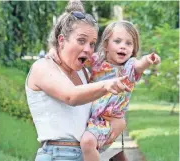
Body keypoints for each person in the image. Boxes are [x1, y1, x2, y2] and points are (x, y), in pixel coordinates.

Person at [25, 1, 130, 161]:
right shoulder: (43, 67)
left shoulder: (82, 72)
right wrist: (106, 85)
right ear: (61, 40)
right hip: (58, 155)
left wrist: (118, 120)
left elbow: (97, 109)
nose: (88, 49)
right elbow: (71, 96)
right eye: (81, 41)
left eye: (92, 44)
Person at [47, 20, 161, 161]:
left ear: (133, 48)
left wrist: (148, 60)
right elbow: (73, 56)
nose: (123, 47)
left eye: (128, 43)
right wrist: (55, 51)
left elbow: (139, 65)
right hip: (87, 114)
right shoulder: (96, 61)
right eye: (117, 41)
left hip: (105, 121)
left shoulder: (129, 68)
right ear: (106, 45)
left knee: (88, 143)